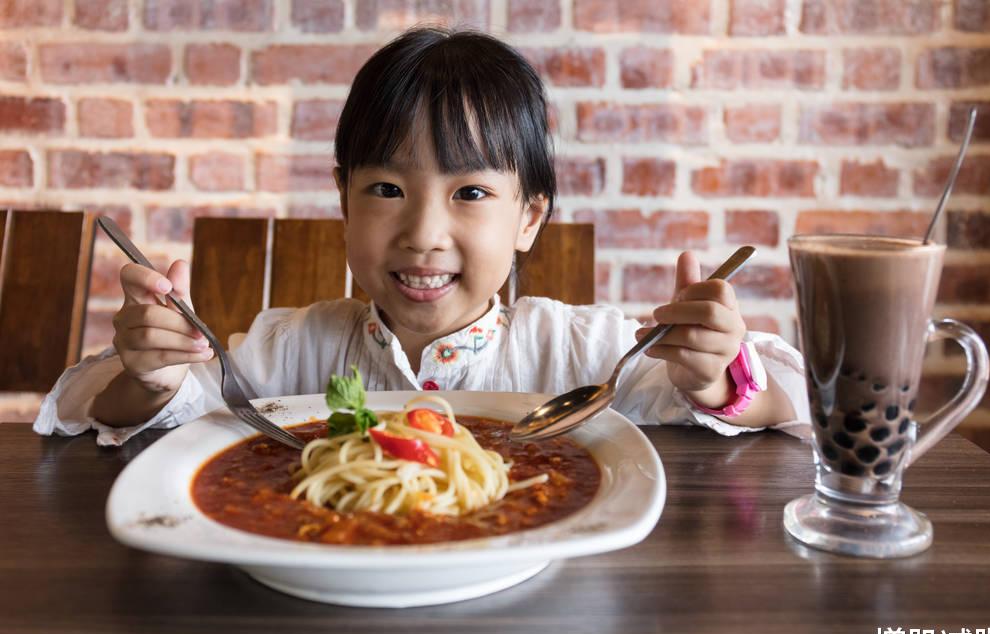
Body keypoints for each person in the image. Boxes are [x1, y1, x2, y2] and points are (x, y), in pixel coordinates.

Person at [34, 26, 809, 446]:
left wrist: (719, 380)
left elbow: (791, 402)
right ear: (343, 200)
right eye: (386, 190)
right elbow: (103, 408)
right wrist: (150, 376)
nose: (423, 232)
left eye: (470, 192)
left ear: (528, 218)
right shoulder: (284, 351)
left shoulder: (585, 354)